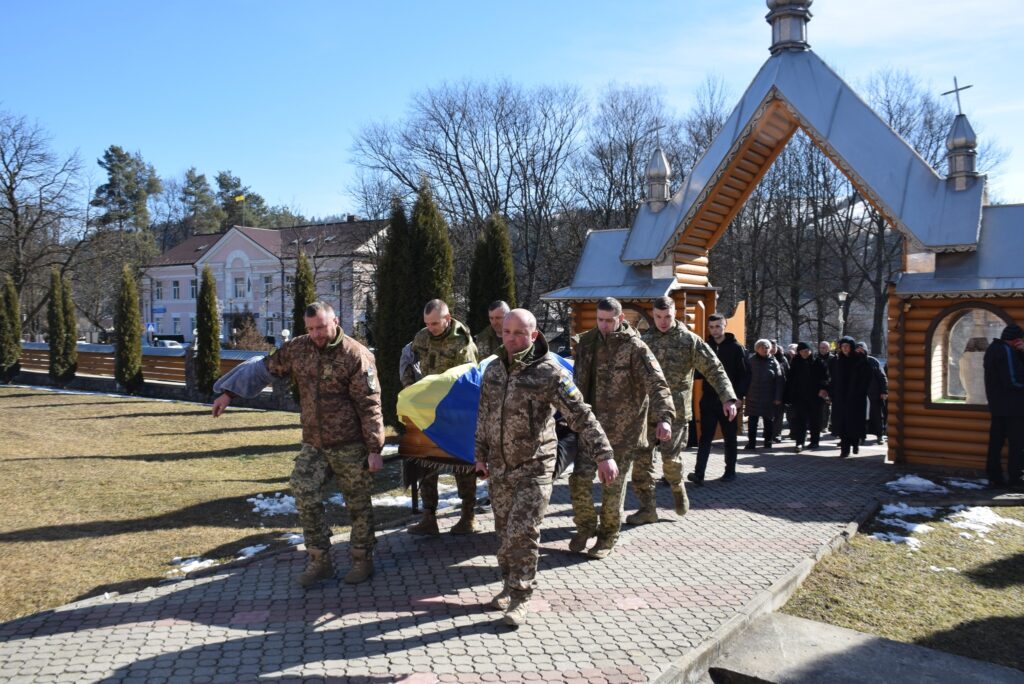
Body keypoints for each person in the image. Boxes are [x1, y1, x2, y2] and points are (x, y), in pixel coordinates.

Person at [211, 301, 383, 587]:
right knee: (303, 489)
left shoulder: (355, 355)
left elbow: (370, 405)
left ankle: (362, 559)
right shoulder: (299, 349)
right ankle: (319, 559)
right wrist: (228, 393)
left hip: (350, 444)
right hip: (315, 443)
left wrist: (375, 449)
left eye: (322, 327)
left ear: (335, 321)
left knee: (357, 503)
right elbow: (265, 368)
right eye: (311, 328)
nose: (316, 334)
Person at [475, 309, 617, 626]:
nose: (512, 339)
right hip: (499, 468)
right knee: (504, 534)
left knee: (523, 533)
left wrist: (603, 453)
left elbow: (581, 414)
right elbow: (484, 417)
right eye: (507, 332)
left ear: (534, 335)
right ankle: (508, 585)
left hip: (534, 467)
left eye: (520, 333)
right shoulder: (494, 370)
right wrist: (480, 456)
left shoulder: (550, 373)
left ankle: (521, 598)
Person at [571, 297, 674, 559]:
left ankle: (608, 536)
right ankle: (585, 527)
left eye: (609, 320)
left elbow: (658, 384)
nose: (604, 325)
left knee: (611, 487)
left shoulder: (635, 348)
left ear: (621, 319)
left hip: (623, 431)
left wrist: (664, 417)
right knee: (579, 480)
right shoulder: (586, 343)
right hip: (590, 429)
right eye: (600, 320)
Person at [639, 301, 737, 511]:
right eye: (658, 317)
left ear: (675, 313)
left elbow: (714, 369)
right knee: (641, 463)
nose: (663, 322)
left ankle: (677, 489)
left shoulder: (688, 340)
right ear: (653, 316)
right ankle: (647, 509)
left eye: (667, 316)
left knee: (670, 461)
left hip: (676, 411)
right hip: (647, 411)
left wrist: (727, 397)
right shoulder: (644, 341)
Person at [408, 299, 479, 535]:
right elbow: (409, 361)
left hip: (456, 415)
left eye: (435, 323)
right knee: (426, 464)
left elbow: (469, 382)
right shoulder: (421, 337)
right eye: (427, 323)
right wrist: (411, 390)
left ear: (447, 319)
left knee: (462, 467)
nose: (431, 328)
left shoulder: (462, 344)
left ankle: (468, 517)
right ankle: (429, 517)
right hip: (428, 413)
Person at [690, 312, 746, 485]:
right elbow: (698, 372)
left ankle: (730, 471)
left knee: (730, 437)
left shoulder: (736, 348)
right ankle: (699, 474)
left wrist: (738, 398)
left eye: (718, 326)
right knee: (705, 437)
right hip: (708, 400)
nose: (715, 330)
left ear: (724, 326)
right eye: (711, 327)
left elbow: (744, 375)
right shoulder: (705, 347)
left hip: (729, 402)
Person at [983, 323, 1024, 490]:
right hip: (1012, 407)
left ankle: (994, 477)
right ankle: (1015, 479)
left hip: (998, 405)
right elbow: (1014, 379)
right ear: (1015, 340)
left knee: (996, 442)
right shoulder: (1005, 351)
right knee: (1017, 443)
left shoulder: (994, 349)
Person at [829, 336, 871, 458]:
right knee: (843, 424)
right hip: (841, 398)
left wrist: (865, 357)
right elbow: (833, 379)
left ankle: (855, 443)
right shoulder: (837, 361)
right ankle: (844, 449)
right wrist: (831, 394)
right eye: (842, 346)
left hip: (855, 398)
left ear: (852, 347)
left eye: (847, 346)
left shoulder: (859, 360)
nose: (845, 348)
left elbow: (867, 376)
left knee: (854, 423)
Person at [786, 342, 830, 451]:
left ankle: (815, 441)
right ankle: (799, 442)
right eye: (801, 352)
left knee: (815, 420)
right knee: (800, 420)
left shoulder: (818, 361)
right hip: (800, 397)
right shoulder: (795, 362)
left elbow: (826, 377)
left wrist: (823, 389)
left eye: (806, 351)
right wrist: (790, 394)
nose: (804, 353)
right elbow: (790, 379)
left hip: (815, 397)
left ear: (810, 351)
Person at [745, 339, 784, 450]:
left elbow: (779, 381)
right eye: (762, 347)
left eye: (767, 347)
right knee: (752, 422)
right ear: (757, 349)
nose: (765, 349)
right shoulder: (751, 361)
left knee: (768, 422)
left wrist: (777, 397)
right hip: (752, 396)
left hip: (768, 397)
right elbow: (745, 377)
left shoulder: (774, 362)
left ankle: (768, 442)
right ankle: (751, 443)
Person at [855, 341, 888, 444]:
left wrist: (884, 391)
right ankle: (861, 437)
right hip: (860, 395)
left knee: (877, 416)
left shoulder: (873, 361)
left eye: (861, 349)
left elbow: (882, 377)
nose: (859, 351)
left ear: (865, 350)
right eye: (857, 349)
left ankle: (879, 436)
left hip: (874, 394)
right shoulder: (853, 362)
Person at [770, 340, 790, 443]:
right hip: (767, 391)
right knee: (768, 415)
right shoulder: (762, 359)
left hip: (781, 391)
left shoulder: (783, 359)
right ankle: (768, 434)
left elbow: (787, 374)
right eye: (771, 346)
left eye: (775, 347)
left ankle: (777, 434)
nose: (773, 349)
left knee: (779, 414)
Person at [816, 341, 835, 435]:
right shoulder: (816, 358)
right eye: (821, 347)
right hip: (818, 385)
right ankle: (818, 425)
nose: (822, 349)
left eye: (824, 347)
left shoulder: (833, 359)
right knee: (818, 406)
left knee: (826, 406)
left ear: (828, 348)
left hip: (829, 385)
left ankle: (825, 426)